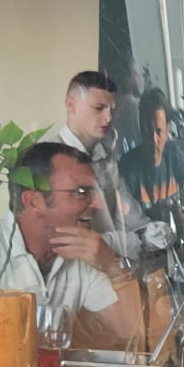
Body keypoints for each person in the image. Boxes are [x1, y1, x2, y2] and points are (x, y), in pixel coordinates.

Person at [0, 140, 144, 344]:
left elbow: (133, 332)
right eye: (81, 193)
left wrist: (112, 266)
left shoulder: (81, 252)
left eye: (94, 192)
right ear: (34, 202)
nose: (98, 204)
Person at [41, 70, 138, 259]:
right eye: (99, 108)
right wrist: (129, 241)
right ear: (71, 104)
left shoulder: (106, 157)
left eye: (112, 109)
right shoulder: (47, 160)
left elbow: (130, 218)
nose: (108, 118)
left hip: (116, 266)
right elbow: (68, 240)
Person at [119, 89, 184, 217]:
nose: (154, 139)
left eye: (159, 131)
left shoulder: (174, 155)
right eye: (148, 130)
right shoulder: (127, 167)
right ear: (141, 129)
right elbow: (123, 217)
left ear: (167, 130)